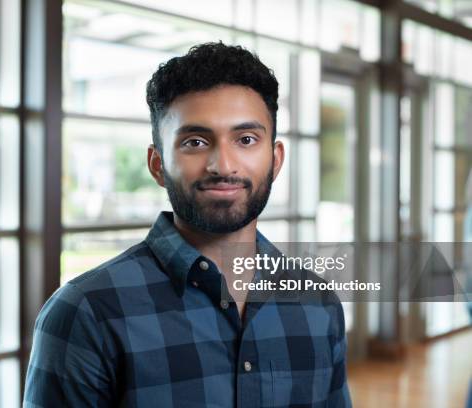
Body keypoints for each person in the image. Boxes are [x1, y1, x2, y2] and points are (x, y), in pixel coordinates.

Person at [23, 42, 352, 408]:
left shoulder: (317, 304)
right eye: (195, 141)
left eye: (246, 139)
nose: (223, 165)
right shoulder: (86, 314)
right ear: (157, 164)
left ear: (275, 160)